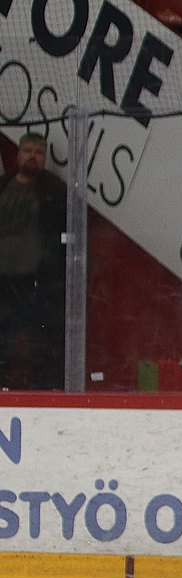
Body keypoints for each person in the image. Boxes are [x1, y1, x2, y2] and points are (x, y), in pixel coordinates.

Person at [0, 132, 67, 391]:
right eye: (27, 150)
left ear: (45, 158)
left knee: (41, 342)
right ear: (17, 154)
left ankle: (44, 395)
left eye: (38, 152)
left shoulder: (54, 190)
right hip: (3, 282)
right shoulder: (3, 186)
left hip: (36, 283)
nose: (32, 156)